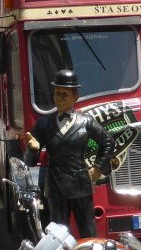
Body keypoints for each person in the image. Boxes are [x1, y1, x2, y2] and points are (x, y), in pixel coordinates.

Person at [25, 69, 114, 239]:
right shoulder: (44, 123)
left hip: (81, 186)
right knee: (58, 235)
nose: (59, 98)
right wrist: (33, 149)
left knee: (88, 230)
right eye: (57, 93)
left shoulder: (86, 122)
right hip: (56, 188)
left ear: (75, 97)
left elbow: (108, 141)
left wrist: (97, 169)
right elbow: (29, 161)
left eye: (65, 94)